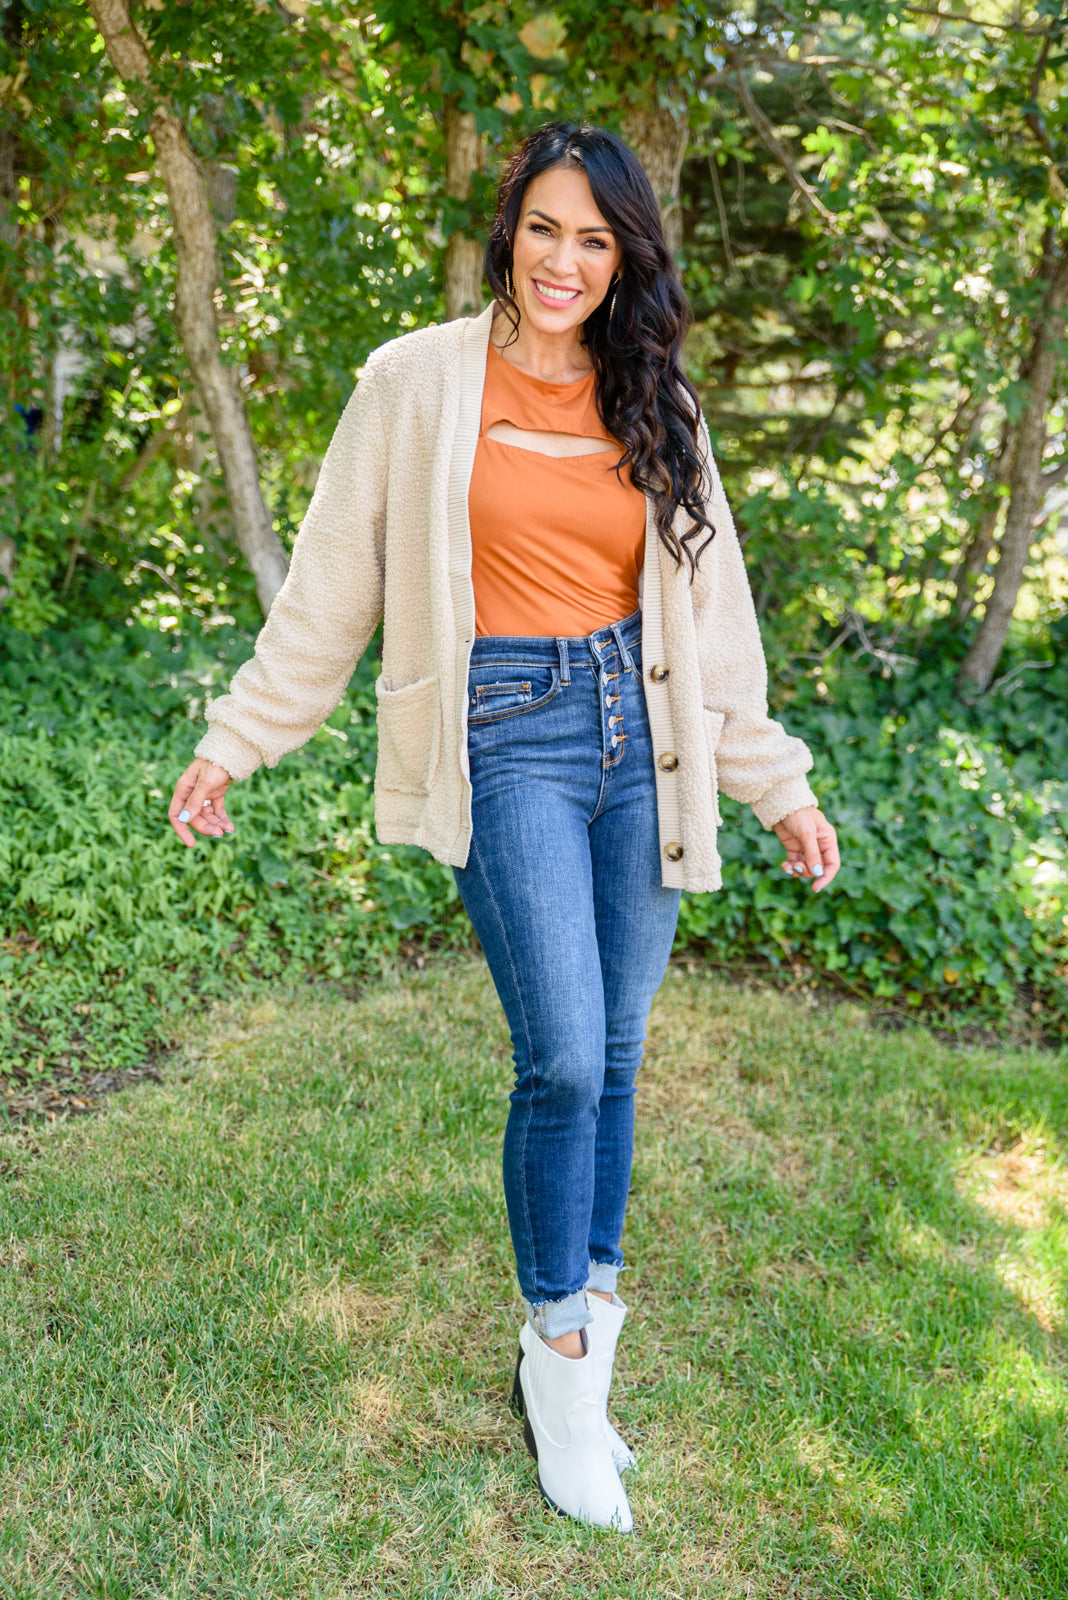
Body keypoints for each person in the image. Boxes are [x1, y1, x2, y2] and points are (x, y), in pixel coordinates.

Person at [168, 121, 840, 1533]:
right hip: (505, 733)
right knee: (564, 1058)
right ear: (507, 231)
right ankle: (562, 1354)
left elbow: (714, 630)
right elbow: (333, 585)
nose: (566, 261)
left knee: (621, 1051)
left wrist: (773, 779)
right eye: (546, 228)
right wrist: (238, 739)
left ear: (625, 259)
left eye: (596, 240)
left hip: (639, 734)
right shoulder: (416, 383)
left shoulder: (658, 396)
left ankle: (587, 1344)